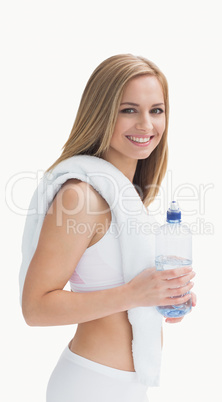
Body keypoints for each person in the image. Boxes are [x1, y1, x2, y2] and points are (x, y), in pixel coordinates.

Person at [21, 54, 196, 402]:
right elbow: (35, 308)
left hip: (124, 386)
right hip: (92, 385)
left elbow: (124, 287)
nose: (146, 125)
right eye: (128, 110)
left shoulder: (125, 197)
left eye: (156, 110)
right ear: (102, 113)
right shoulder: (81, 197)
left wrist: (162, 297)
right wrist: (135, 294)